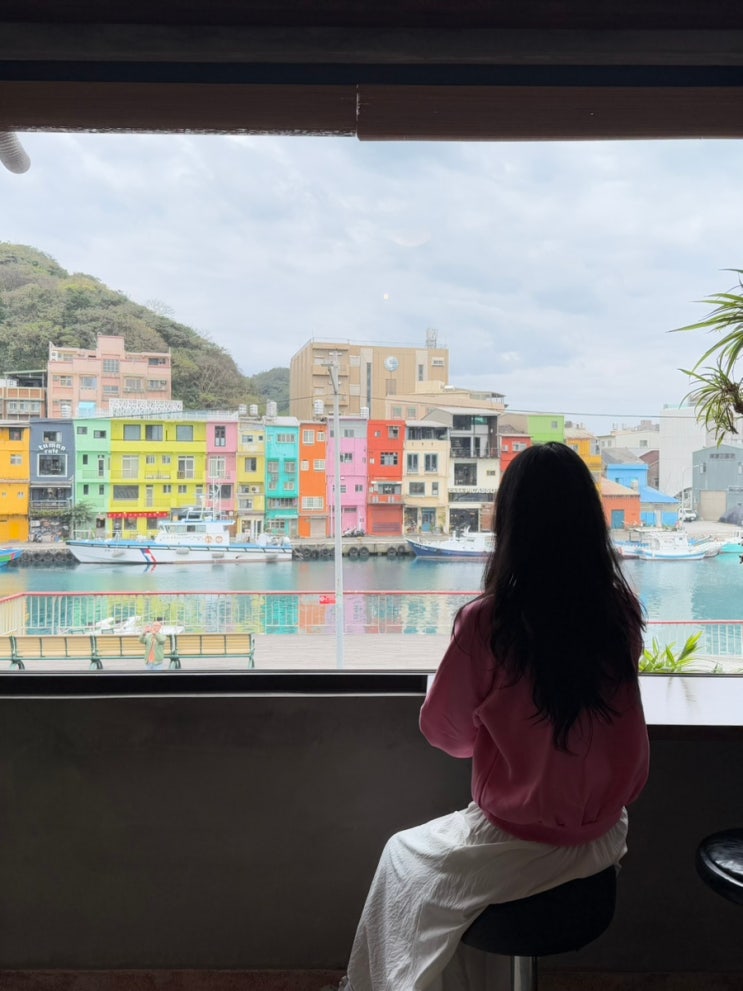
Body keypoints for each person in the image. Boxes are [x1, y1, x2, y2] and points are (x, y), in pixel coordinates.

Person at [340, 442, 649, 991]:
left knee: (400, 855)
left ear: (510, 526)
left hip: (518, 839)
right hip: (601, 841)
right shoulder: (618, 613)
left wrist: (495, 718)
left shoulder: (490, 624)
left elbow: (445, 733)